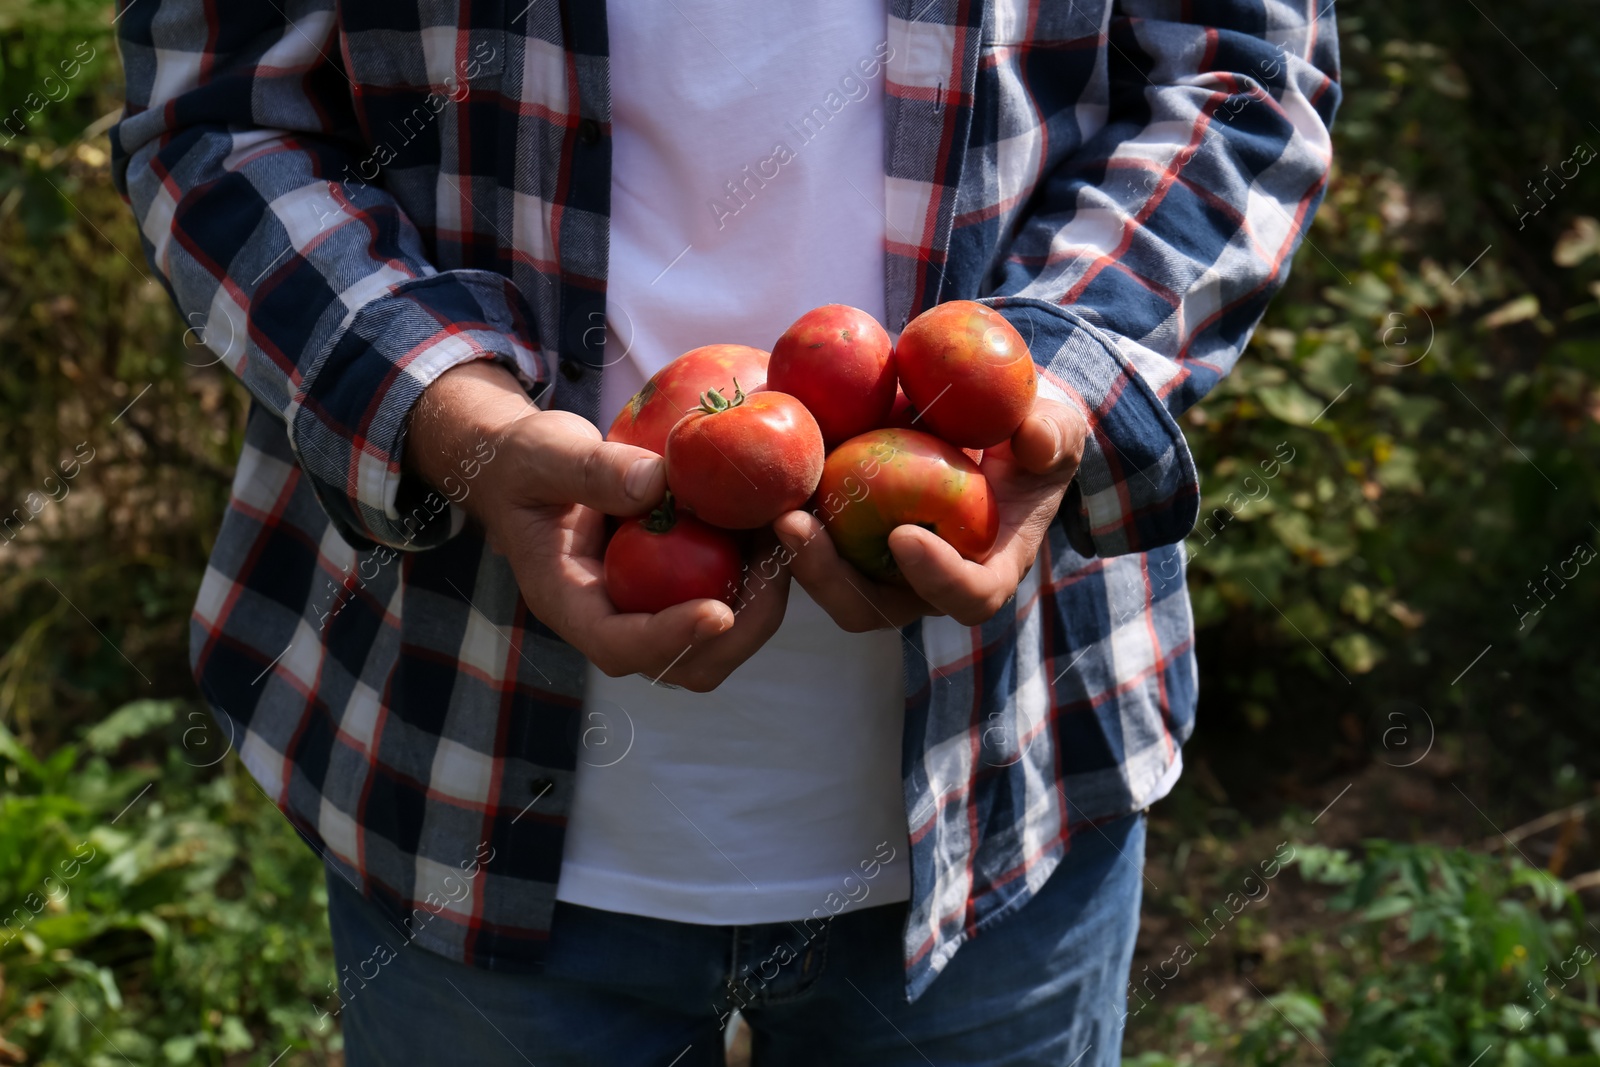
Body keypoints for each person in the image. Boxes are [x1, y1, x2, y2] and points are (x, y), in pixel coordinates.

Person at [113, 1, 1339, 1063]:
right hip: (453, 760)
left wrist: (1045, 391)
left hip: (1009, 763)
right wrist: (451, 418)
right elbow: (213, 119)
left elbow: (1242, 77)